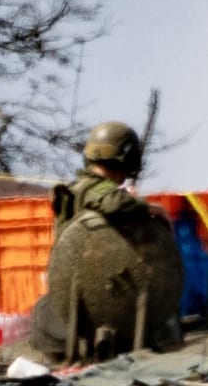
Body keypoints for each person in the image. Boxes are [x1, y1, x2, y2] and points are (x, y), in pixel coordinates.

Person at [30, 121, 184, 362]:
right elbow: (113, 203)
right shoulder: (94, 188)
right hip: (94, 305)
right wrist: (149, 208)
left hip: (75, 305)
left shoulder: (77, 189)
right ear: (125, 159)